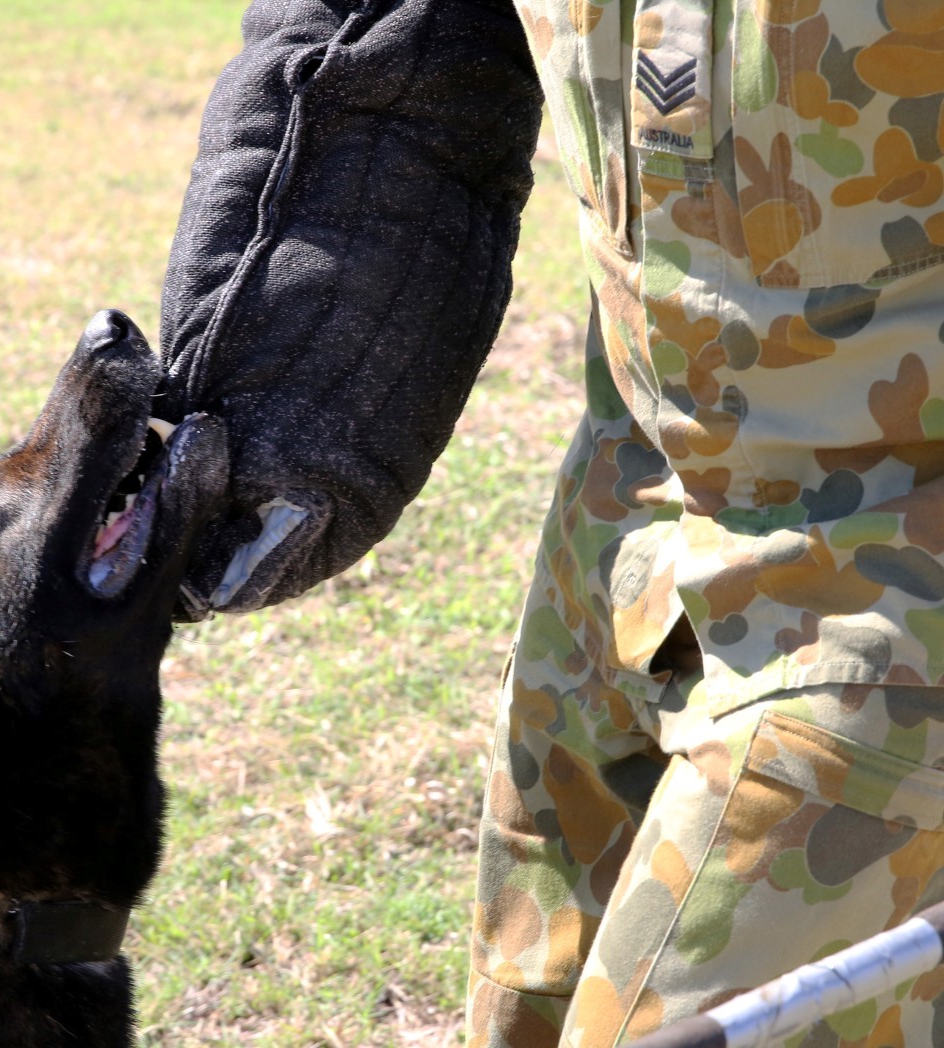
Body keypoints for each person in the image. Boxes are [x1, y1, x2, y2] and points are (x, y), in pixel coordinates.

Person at [158, 0, 944, 1045]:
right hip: (617, 551)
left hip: (889, 611)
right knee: (526, 1016)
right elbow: (389, 60)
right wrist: (253, 419)